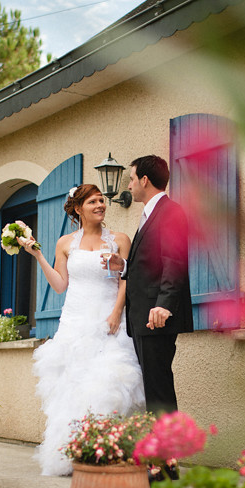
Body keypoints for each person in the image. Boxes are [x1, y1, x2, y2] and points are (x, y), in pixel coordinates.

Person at [19, 184, 145, 476]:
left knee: (110, 383)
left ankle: (109, 452)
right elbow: (61, 285)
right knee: (72, 388)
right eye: (93, 201)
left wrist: (116, 312)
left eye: (102, 200)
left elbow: (127, 279)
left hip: (109, 320)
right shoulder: (65, 243)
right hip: (75, 322)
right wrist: (37, 256)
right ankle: (73, 453)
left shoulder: (120, 240)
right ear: (78, 209)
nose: (100, 205)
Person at [105, 155, 193, 415]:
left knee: (159, 389)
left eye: (132, 179)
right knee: (154, 388)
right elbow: (153, 263)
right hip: (144, 316)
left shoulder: (171, 212)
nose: (129, 186)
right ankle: (162, 451)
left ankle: (168, 452)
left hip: (156, 316)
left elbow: (174, 261)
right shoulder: (150, 213)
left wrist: (164, 306)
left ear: (145, 179)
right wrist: (124, 265)